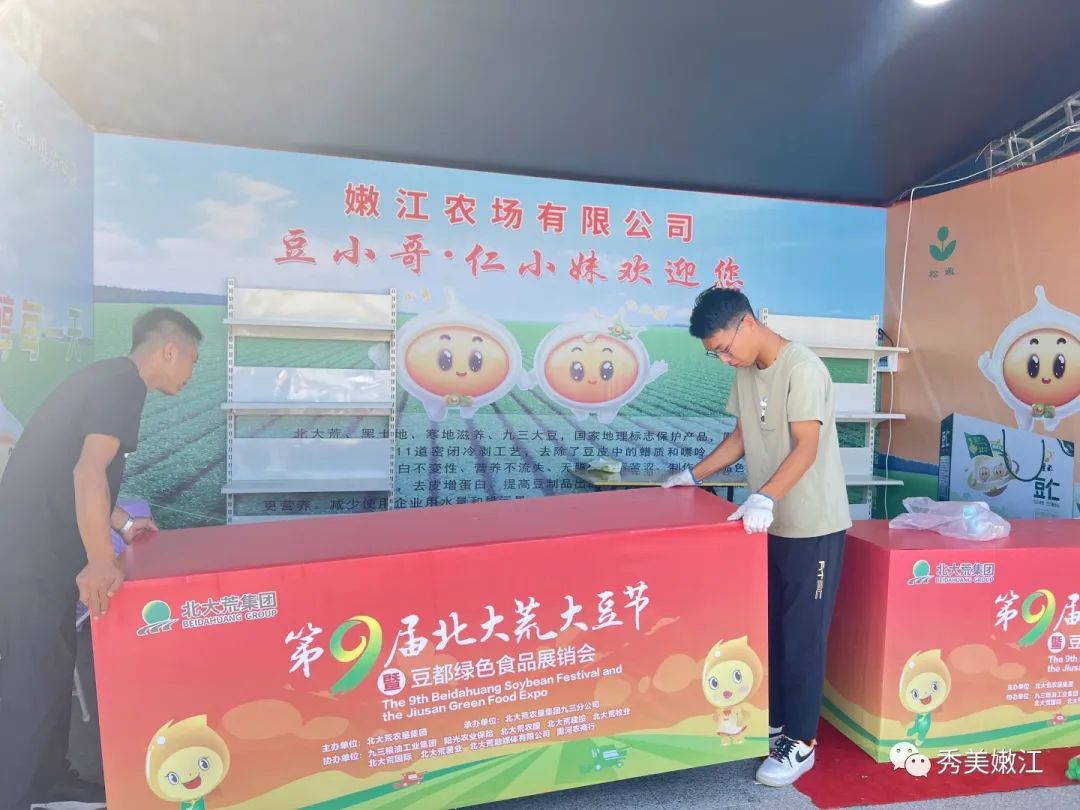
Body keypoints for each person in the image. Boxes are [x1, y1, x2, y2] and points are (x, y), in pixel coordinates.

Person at [0, 308, 202, 809]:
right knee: (33, 674)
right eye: (192, 360)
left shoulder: (107, 379)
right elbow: (88, 472)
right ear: (169, 351)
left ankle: (48, 779)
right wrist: (99, 560)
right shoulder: (123, 385)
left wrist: (124, 525)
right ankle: (15, 792)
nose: (191, 373)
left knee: (51, 667)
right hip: (30, 553)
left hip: (38, 549)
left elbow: (72, 470)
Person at [662, 287, 850, 787]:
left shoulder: (803, 368)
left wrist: (764, 496)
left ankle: (802, 742)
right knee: (771, 627)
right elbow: (742, 437)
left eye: (725, 348)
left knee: (803, 636)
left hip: (811, 523)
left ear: (747, 323)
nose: (725, 360)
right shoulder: (746, 371)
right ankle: (778, 720)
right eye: (716, 355)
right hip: (765, 521)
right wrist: (693, 476)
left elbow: (806, 446)